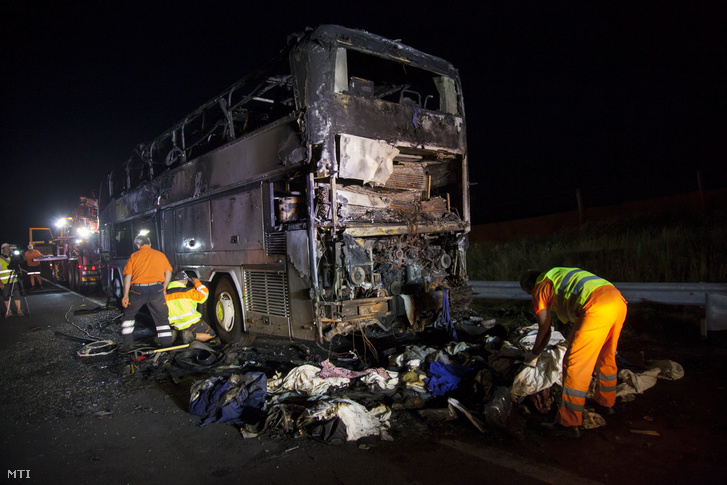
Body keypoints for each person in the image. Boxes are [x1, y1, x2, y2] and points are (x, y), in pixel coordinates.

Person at [520, 267, 627, 438]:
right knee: (605, 356)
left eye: (528, 293)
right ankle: (606, 403)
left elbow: (545, 330)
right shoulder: (557, 275)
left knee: (574, 364)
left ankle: (568, 422)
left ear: (531, 285)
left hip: (595, 306)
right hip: (617, 302)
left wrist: (533, 356)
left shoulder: (540, 287)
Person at [120, 235, 174, 351]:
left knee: (128, 317)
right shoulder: (160, 255)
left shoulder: (134, 256)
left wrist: (126, 295)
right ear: (149, 244)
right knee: (162, 319)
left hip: (138, 291)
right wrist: (164, 287)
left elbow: (128, 276)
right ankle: (167, 346)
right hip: (156, 290)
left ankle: (127, 346)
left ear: (138, 245)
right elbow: (168, 272)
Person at [165, 271, 217, 343]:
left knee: (181, 333)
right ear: (185, 281)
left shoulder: (165, 295)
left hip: (176, 325)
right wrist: (197, 283)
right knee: (211, 335)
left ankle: (177, 334)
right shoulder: (189, 292)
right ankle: (191, 335)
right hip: (192, 323)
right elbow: (203, 295)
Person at [1, 243, 24, 317]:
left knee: (17, 294)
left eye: (9, 247)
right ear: (3, 249)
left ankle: (19, 310)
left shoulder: (13, 258)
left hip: (14, 280)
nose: (8, 248)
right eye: (6, 247)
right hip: (4, 281)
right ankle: (8, 311)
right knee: (6, 296)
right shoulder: (0, 259)